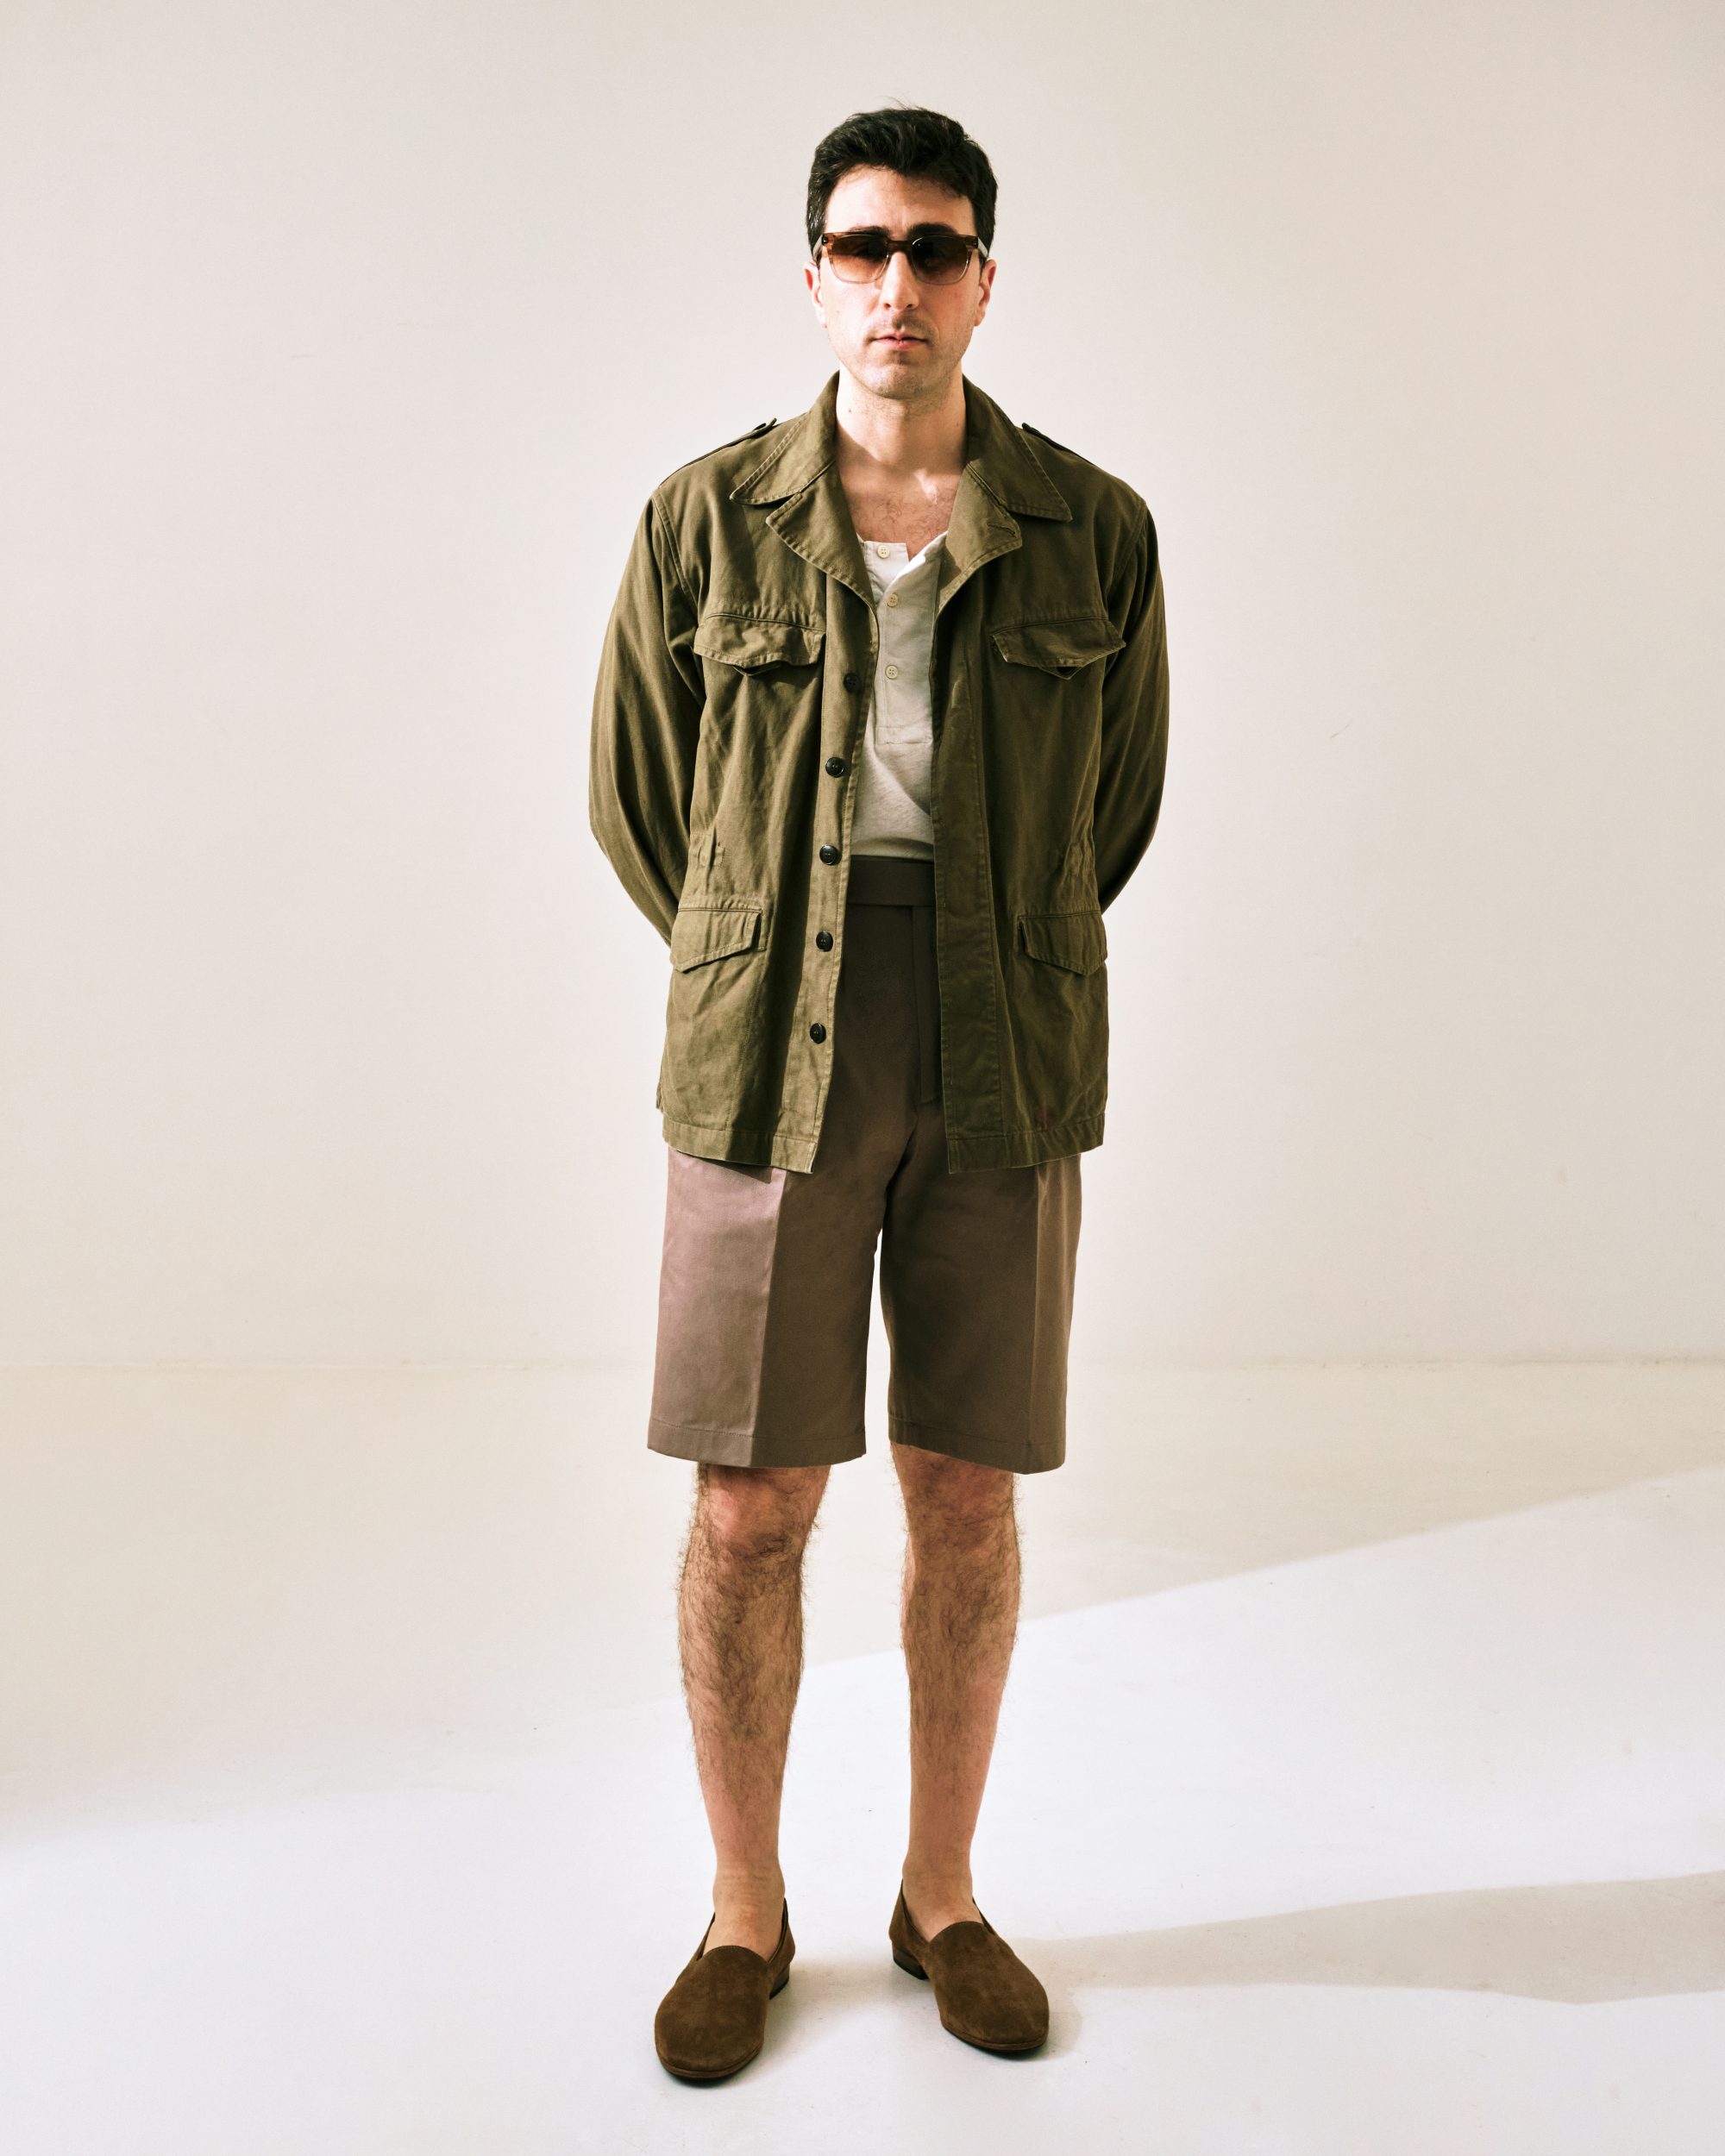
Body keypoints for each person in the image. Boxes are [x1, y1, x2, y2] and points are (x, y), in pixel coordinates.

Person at [588, 103, 1170, 2080]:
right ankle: (743, 1909)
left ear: (984, 280)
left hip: (1001, 1032)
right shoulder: (704, 519)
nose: (897, 283)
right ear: (815, 277)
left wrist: (987, 941)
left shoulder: (1093, 528)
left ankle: (940, 1893)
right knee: (750, 1497)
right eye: (863, 246)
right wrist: (763, 946)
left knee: (964, 1485)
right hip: (768, 1041)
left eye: (934, 248)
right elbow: (641, 795)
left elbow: (1114, 808)